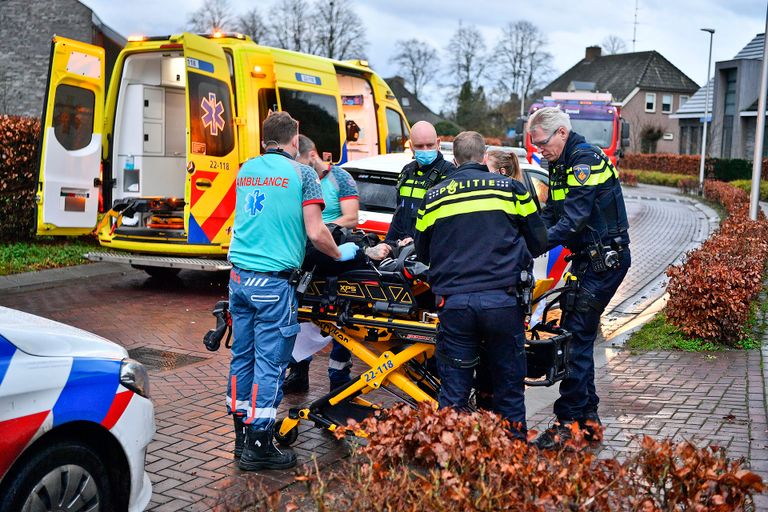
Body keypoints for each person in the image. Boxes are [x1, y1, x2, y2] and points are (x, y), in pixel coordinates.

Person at [226, 112, 359, 471]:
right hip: (273, 283)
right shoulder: (303, 175)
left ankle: (241, 437)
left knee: (243, 357)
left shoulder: (246, 169)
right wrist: (340, 252)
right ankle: (259, 446)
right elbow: (316, 233)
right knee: (270, 363)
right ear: (296, 137)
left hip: (239, 278)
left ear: (263, 137)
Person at [414, 131, 547, 437]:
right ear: (484, 156)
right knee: (509, 387)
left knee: (454, 392)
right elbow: (539, 241)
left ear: (454, 159)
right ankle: (512, 461)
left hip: (455, 305)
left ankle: (450, 463)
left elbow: (423, 253)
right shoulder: (512, 189)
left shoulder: (433, 196)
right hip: (503, 302)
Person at [526, 107, 631, 450]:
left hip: (603, 262)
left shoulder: (582, 160)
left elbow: (572, 220)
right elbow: (550, 215)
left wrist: (530, 247)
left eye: (542, 143)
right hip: (590, 262)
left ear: (561, 133)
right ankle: (587, 422)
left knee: (574, 339)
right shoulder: (559, 165)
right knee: (576, 337)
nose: (539, 150)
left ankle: (567, 422)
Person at [282, 134, 360, 393]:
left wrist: (326, 230)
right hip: (307, 254)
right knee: (300, 315)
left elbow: (351, 217)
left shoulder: (341, 179)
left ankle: (338, 376)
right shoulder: (301, 179)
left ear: (312, 155)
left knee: (340, 317)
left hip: (333, 251)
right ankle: (299, 370)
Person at [366, 121, 457, 262]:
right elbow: (399, 214)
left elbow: (448, 223)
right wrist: (389, 244)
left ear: (438, 143)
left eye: (430, 145)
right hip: (402, 253)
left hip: (431, 255)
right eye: (420, 146)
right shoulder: (407, 171)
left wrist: (416, 242)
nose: (425, 150)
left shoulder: (449, 173)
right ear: (411, 146)